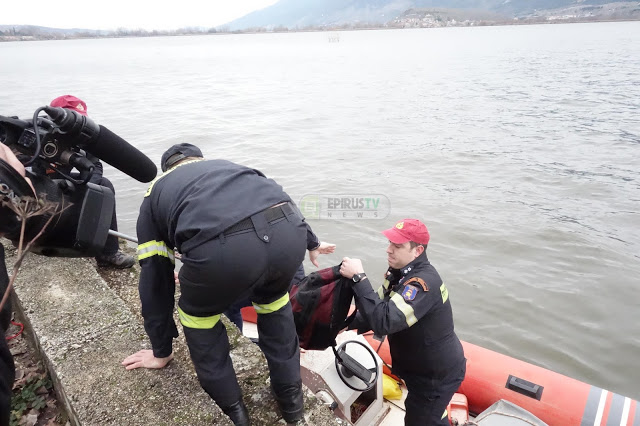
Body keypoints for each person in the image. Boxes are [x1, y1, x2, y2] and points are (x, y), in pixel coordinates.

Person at [122, 143, 334, 425]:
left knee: (199, 319)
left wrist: (161, 350)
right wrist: (312, 242)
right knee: (274, 305)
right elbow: (281, 203)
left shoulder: (155, 191)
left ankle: (234, 412)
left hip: (223, 252)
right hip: (288, 237)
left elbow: (155, 277)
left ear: (167, 169)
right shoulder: (229, 167)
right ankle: (292, 407)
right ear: (199, 159)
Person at [339, 219, 466, 426]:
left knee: (419, 420)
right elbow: (375, 310)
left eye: (397, 246)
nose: (389, 250)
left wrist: (359, 278)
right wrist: (343, 325)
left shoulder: (421, 284)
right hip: (420, 369)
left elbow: (384, 321)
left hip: (434, 375)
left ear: (418, 251)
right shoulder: (397, 274)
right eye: (390, 243)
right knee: (429, 415)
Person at [48, 95, 135, 268]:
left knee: (104, 185)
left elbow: (95, 165)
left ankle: (108, 253)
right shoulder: (38, 135)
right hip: (41, 186)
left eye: (80, 118)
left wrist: (88, 185)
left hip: (70, 183)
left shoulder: (84, 136)